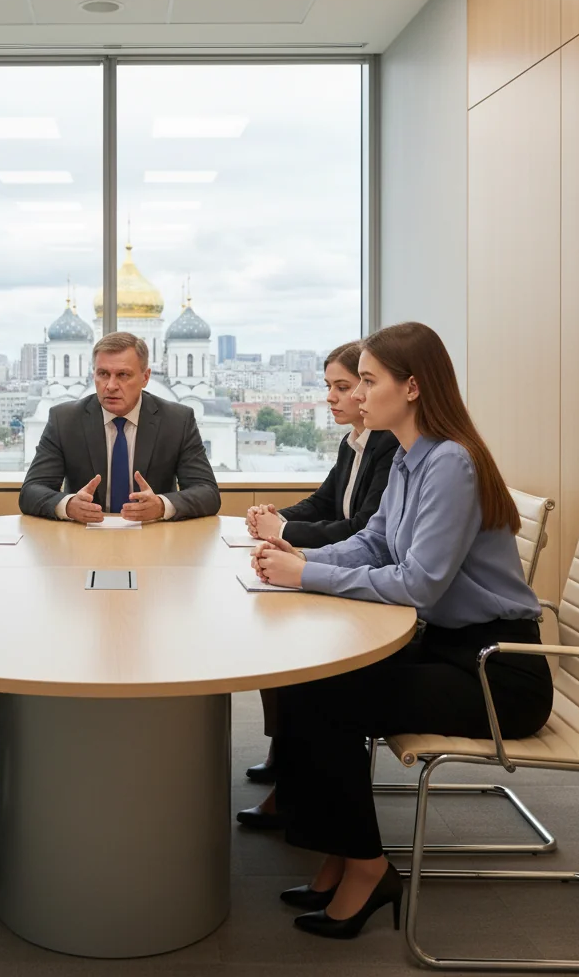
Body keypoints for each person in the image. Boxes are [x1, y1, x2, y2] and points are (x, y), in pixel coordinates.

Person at [250, 321, 552, 940]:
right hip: (447, 648)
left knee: (328, 697)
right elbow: (374, 541)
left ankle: (367, 868)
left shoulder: (451, 465)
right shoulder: (413, 459)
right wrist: (294, 557)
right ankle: (341, 852)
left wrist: (305, 575)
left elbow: (418, 585)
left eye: (367, 381)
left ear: (411, 387)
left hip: (497, 670)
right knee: (310, 683)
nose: (357, 396)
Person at [238, 342, 398, 823]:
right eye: (330, 386)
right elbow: (328, 504)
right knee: (280, 632)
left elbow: (365, 531)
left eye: (347, 386)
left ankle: (294, 783)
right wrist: (277, 518)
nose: (333, 397)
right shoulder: (356, 443)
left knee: (301, 659)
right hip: (364, 577)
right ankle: (286, 762)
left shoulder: (397, 449)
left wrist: (292, 546)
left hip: (398, 610)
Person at [19, 332, 220, 522]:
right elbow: (31, 491)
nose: (111, 385)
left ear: (145, 377)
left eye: (123, 375)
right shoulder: (65, 420)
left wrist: (160, 505)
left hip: (153, 538)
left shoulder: (177, 420)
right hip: (84, 540)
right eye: (103, 374)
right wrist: (69, 505)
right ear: (94, 375)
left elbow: (207, 493)